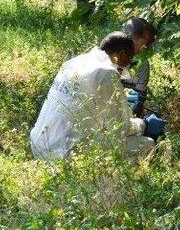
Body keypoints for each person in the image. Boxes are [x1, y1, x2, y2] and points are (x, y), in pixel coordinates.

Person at [30, 32, 165, 161]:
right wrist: (144, 124)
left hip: (38, 144)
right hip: (64, 152)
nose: (127, 66)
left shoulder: (74, 63)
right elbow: (118, 128)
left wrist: (123, 105)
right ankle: (110, 184)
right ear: (122, 55)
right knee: (147, 144)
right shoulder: (107, 72)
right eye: (129, 61)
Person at [120, 17, 157, 117]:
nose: (146, 48)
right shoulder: (105, 56)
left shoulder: (142, 64)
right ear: (132, 39)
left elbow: (139, 99)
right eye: (145, 44)